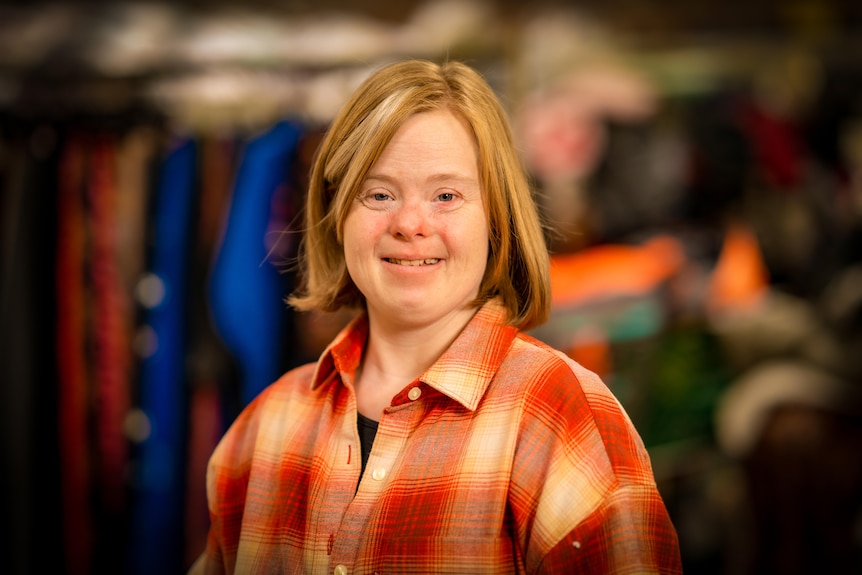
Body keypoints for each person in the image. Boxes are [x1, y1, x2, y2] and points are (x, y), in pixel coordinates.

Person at [189, 59, 681, 574]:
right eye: (379, 194)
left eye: (446, 195)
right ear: (337, 215)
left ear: (496, 217)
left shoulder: (559, 417)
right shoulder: (265, 427)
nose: (410, 223)